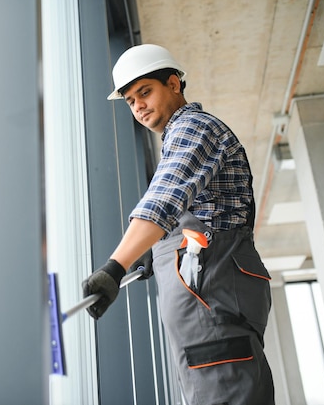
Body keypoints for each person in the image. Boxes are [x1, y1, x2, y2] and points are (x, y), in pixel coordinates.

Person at [82, 44, 275, 405]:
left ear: (173, 84)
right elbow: (196, 211)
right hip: (208, 300)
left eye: (145, 92)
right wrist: (156, 252)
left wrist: (115, 266)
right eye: (129, 100)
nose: (138, 105)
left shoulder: (192, 127)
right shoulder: (179, 136)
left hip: (211, 298)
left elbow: (164, 198)